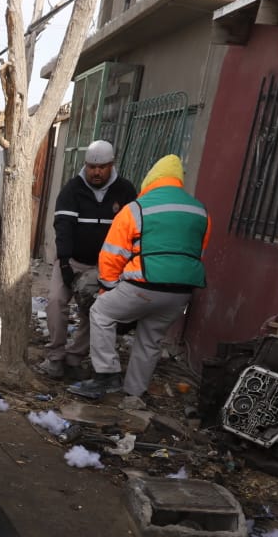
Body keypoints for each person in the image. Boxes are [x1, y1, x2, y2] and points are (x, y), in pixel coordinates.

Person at [68, 154, 210, 409]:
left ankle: (106, 375)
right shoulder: (199, 210)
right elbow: (198, 251)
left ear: (150, 179)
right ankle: (134, 393)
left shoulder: (137, 208)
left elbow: (112, 254)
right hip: (182, 293)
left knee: (101, 312)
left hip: (143, 285)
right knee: (151, 338)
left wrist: (108, 288)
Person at [34, 140, 138, 380]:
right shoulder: (72, 189)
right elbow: (63, 227)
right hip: (72, 260)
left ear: (112, 165)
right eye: (92, 167)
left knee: (94, 311)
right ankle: (55, 356)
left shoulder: (125, 191)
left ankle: (75, 358)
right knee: (55, 302)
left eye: (102, 167)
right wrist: (64, 262)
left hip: (106, 266)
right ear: (86, 165)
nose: (96, 172)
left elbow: (132, 231)